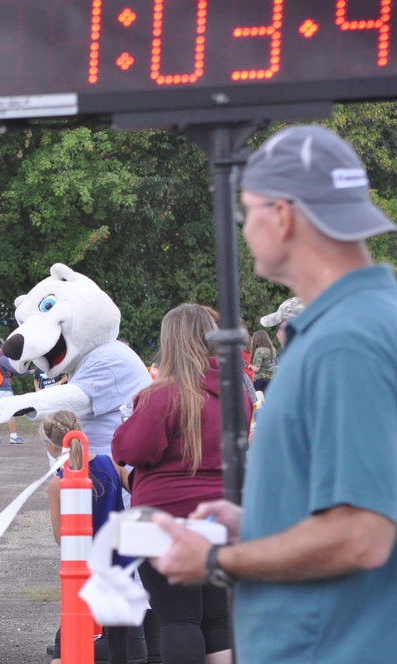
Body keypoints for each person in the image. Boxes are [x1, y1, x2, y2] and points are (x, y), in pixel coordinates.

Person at [153, 125, 397, 664]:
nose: (245, 229)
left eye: (246, 214)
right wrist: (262, 521)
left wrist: (218, 558)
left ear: (282, 215)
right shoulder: (365, 322)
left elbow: (362, 535)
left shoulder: (345, 342)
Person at [112, 303, 252, 664]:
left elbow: (132, 449)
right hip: (220, 514)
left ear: (170, 342)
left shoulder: (161, 395)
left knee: (177, 618)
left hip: (163, 516)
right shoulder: (236, 391)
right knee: (219, 619)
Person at [44, 411, 145, 664]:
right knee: (118, 642)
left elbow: (60, 537)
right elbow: (139, 491)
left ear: (50, 446)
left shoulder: (59, 483)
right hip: (120, 562)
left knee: (70, 639)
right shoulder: (110, 464)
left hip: (82, 569)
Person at [0, 338, 25, 445]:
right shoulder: (1, 358)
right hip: (3, 389)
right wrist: (29, 371)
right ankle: (13, 437)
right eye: (2, 346)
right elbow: (16, 370)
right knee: (10, 412)